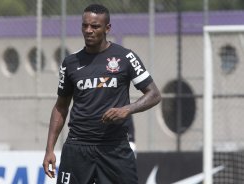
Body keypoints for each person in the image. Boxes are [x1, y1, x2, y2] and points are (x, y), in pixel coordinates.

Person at [43, 4, 161, 184]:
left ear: (107, 28)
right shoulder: (70, 63)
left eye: (95, 26)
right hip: (77, 147)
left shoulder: (126, 57)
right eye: (85, 25)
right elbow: (61, 106)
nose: (89, 30)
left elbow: (154, 94)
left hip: (115, 148)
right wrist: (49, 149)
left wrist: (127, 109)